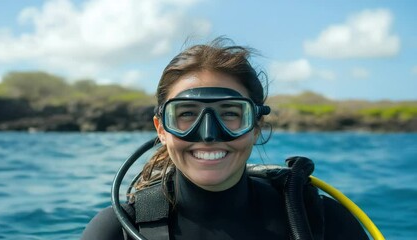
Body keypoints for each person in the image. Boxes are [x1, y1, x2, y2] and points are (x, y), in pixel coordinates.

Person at [81, 38, 369, 240]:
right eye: (187, 114)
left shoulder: (322, 222)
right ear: (161, 129)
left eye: (230, 113)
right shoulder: (116, 231)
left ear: (256, 126)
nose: (208, 135)